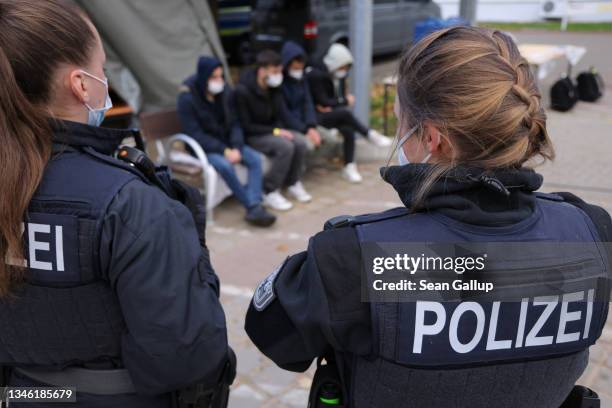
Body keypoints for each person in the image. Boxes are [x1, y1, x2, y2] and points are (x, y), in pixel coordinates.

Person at [245, 27, 611, 407]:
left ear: (433, 138)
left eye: (402, 121)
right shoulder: (591, 230)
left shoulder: (356, 259)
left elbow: (274, 336)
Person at [0, 1, 232, 407]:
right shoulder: (130, 203)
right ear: (81, 84)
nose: (105, 80)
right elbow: (184, 354)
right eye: (102, 69)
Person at [177, 56, 276, 227]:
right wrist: (224, 150)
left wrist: (236, 146)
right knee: (224, 165)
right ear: (204, 77)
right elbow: (195, 134)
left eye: (221, 76)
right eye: (214, 77)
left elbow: (235, 123)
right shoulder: (187, 98)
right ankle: (252, 206)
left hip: (228, 144)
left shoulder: (224, 92)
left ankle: (254, 203)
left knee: (255, 159)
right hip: (204, 147)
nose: (219, 81)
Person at [235, 50, 311, 211]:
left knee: (300, 142)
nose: (278, 76)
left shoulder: (274, 88)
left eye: (279, 71)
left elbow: (281, 114)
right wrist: (277, 131)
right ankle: (269, 190)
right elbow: (246, 126)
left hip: (271, 131)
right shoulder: (243, 90)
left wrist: (304, 129)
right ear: (262, 70)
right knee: (285, 146)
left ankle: (292, 182)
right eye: (274, 72)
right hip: (252, 135)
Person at [307, 42, 392, 182]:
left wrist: (334, 102)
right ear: (335, 63)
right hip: (313, 117)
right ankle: (369, 134)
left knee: (348, 129)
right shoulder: (316, 75)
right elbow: (323, 101)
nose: (344, 71)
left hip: (327, 113)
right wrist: (344, 101)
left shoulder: (333, 74)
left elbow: (328, 102)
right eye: (343, 67)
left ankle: (349, 166)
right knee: (345, 114)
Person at [279, 41, 340, 168]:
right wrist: (306, 130)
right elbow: (284, 114)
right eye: (295, 68)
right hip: (291, 126)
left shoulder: (302, 80)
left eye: (301, 68)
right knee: (308, 145)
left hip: (306, 124)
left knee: (332, 141)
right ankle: (296, 173)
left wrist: (311, 126)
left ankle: (306, 164)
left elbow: (308, 104)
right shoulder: (280, 85)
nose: (299, 71)